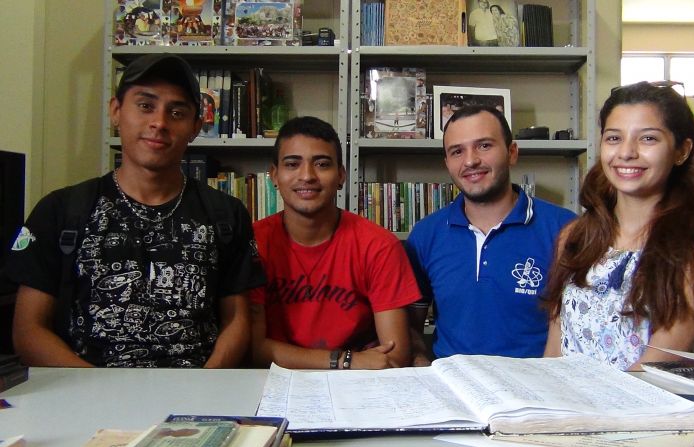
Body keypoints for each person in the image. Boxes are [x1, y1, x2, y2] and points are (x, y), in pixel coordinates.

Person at [7, 54, 265, 368]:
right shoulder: (60, 211)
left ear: (196, 126)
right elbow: (28, 330)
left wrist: (203, 385)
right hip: (86, 398)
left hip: (194, 399)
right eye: (145, 106)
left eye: (177, 111)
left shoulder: (226, 214)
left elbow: (236, 319)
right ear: (116, 111)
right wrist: (97, 391)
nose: (159, 122)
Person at [542, 81, 694, 371]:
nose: (626, 152)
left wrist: (587, 412)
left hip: (656, 407)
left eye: (648, 139)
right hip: (575, 408)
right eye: (614, 138)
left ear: (682, 151)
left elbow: (656, 366)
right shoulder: (575, 237)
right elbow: (555, 350)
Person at [405, 105, 576, 364]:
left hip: (537, 391)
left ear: (512, 152)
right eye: (457, 151)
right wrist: (421, 365)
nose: (471, 160)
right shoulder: (426, 235)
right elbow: (410, 327)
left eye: (484, 146)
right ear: (447, 163)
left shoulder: (565, 229)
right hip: (454, 389)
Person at [249, 116, 420, 369]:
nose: (307, 176)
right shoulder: (253, 243)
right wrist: (344, 361)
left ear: (341, 175)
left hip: (355, 387)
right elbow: (253, 348)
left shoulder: (379, 246)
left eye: (322, 164)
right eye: (292, 164)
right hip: (276, 380)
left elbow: (394, 357)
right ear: (274, 175)